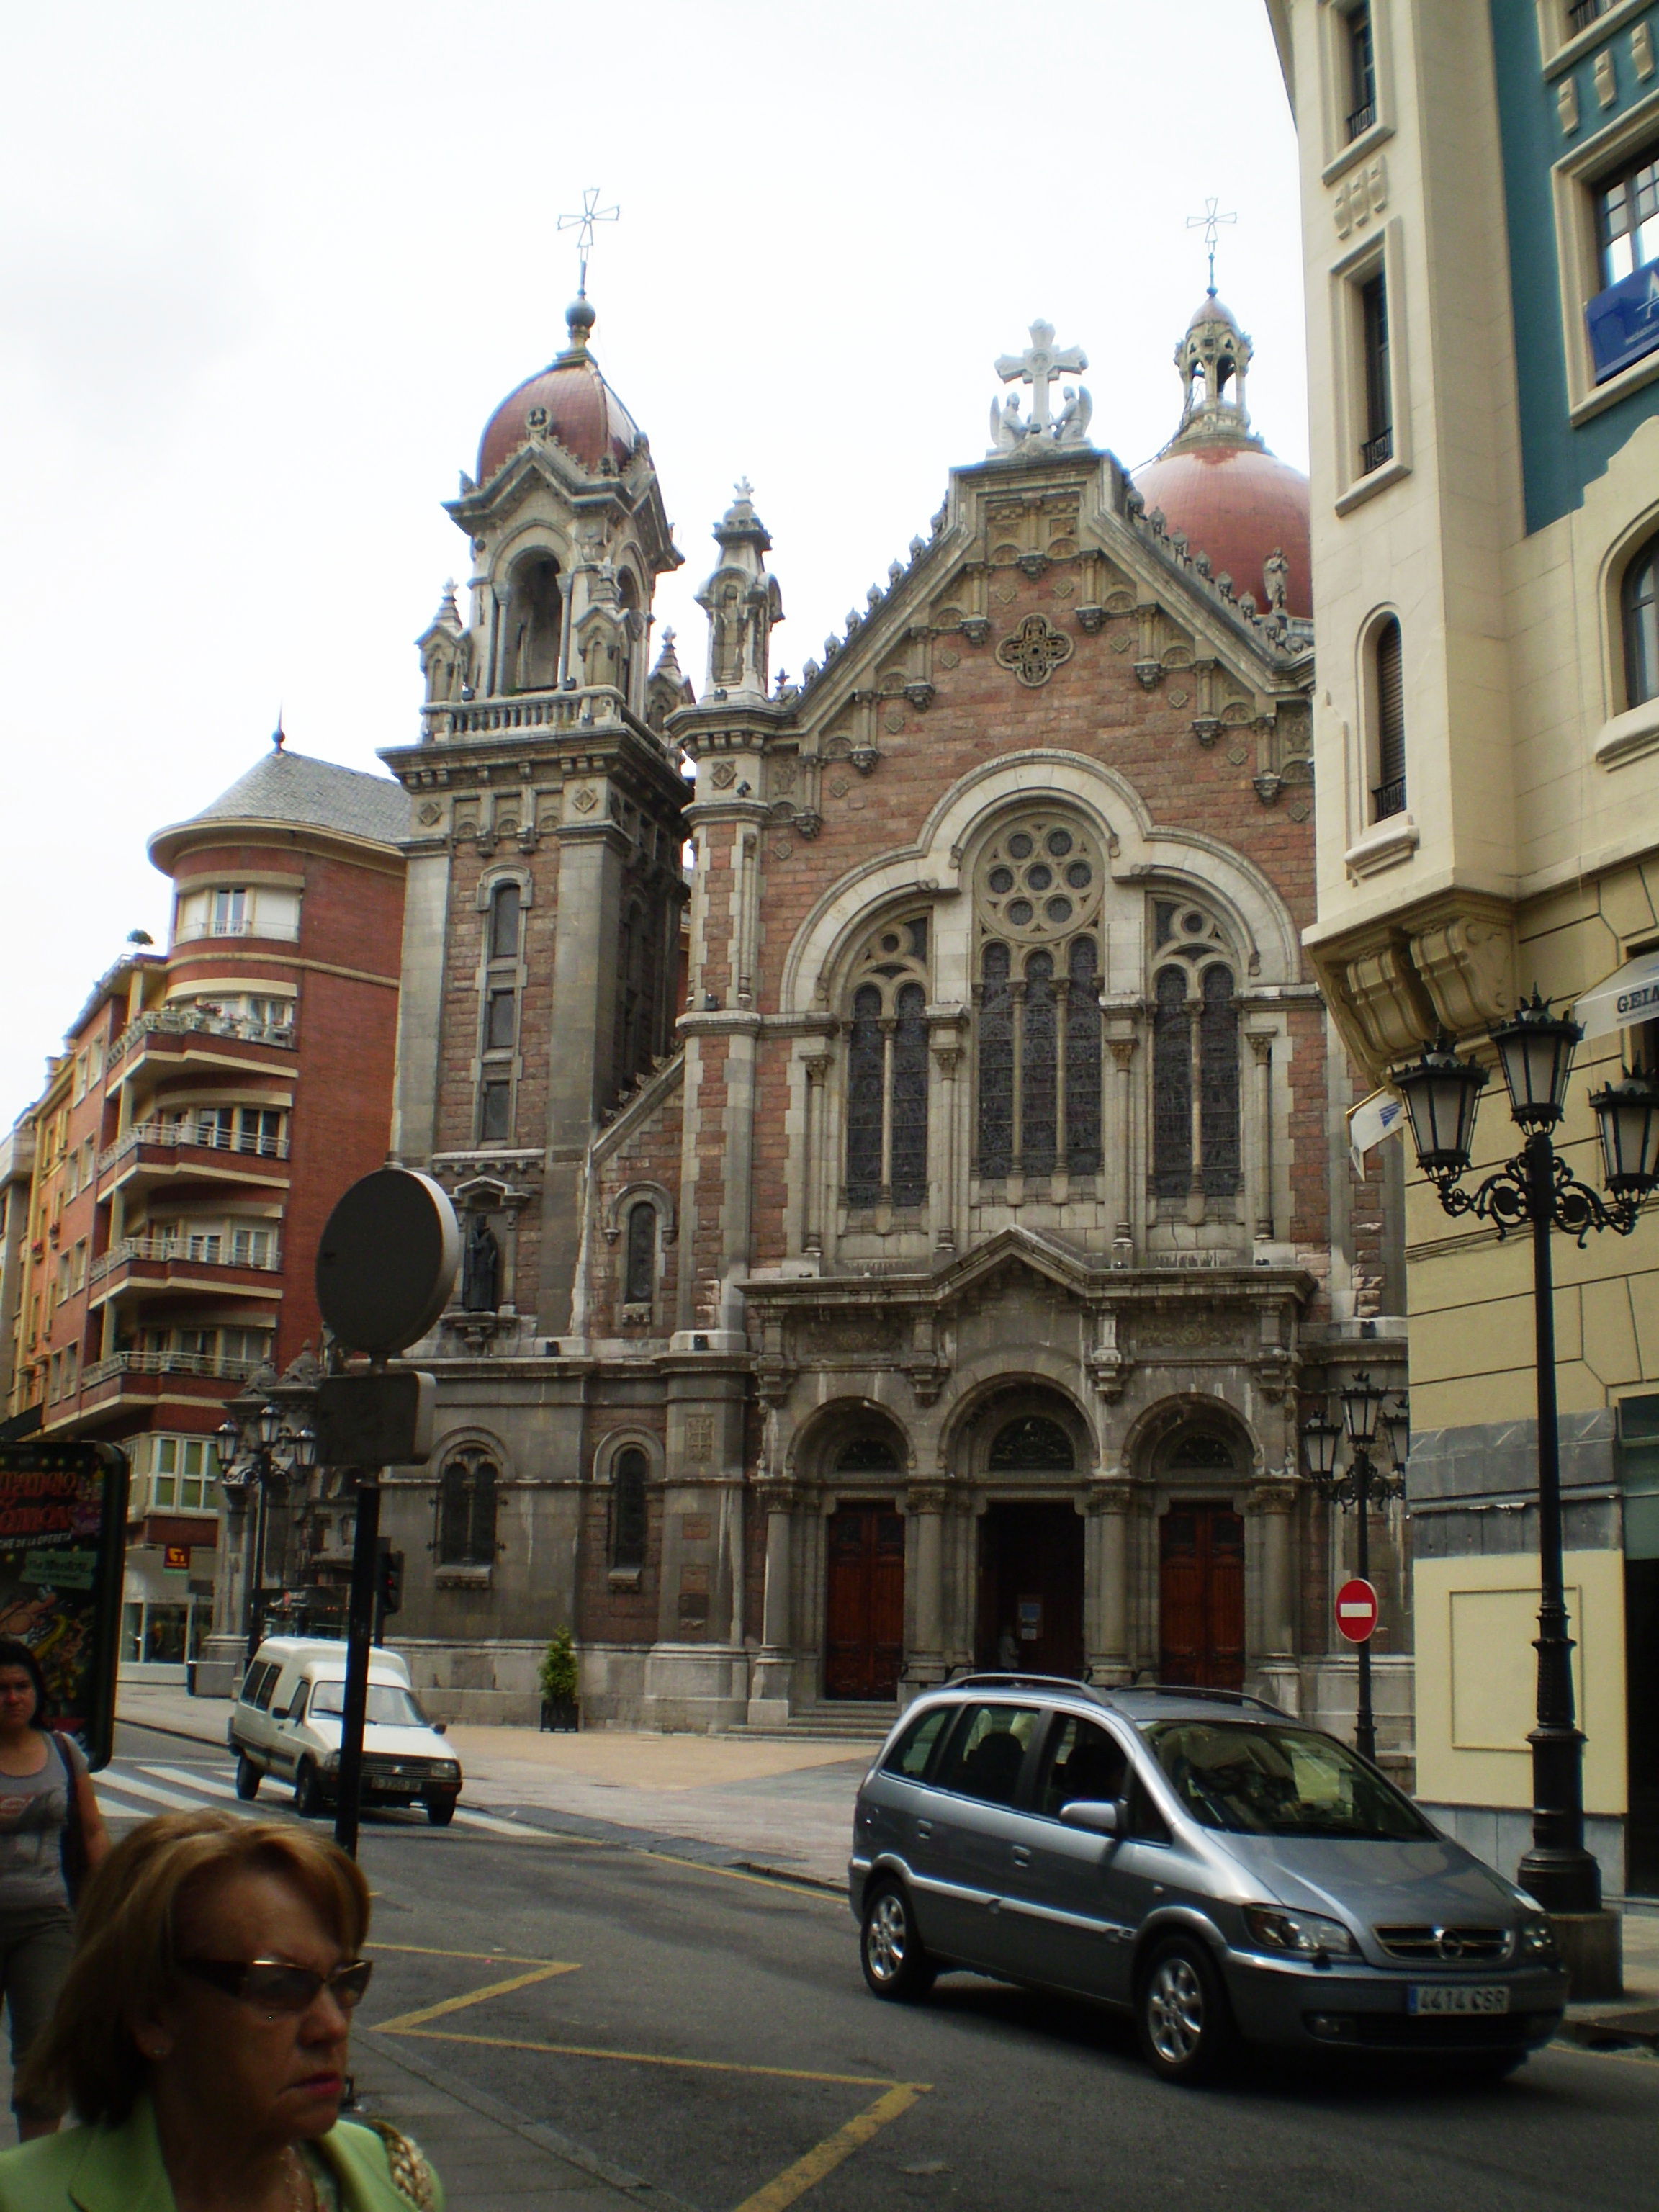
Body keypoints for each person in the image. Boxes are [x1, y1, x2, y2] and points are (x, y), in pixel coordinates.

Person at [0, 1809, 441, 2212]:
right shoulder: (21, 2196)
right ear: (152, 2014)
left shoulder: (395, 2179)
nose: (331, 2026)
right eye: (279, 1986)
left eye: (345, 1981)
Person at [0, 1638, 109, 2141]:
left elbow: (91, 1832)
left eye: (22, 1687)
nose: (13, 1698)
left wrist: (111, 1900)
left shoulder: (63, 1753)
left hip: (45, 1920)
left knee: (42, 2048)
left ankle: (30, 2172)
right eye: (0, 1689)